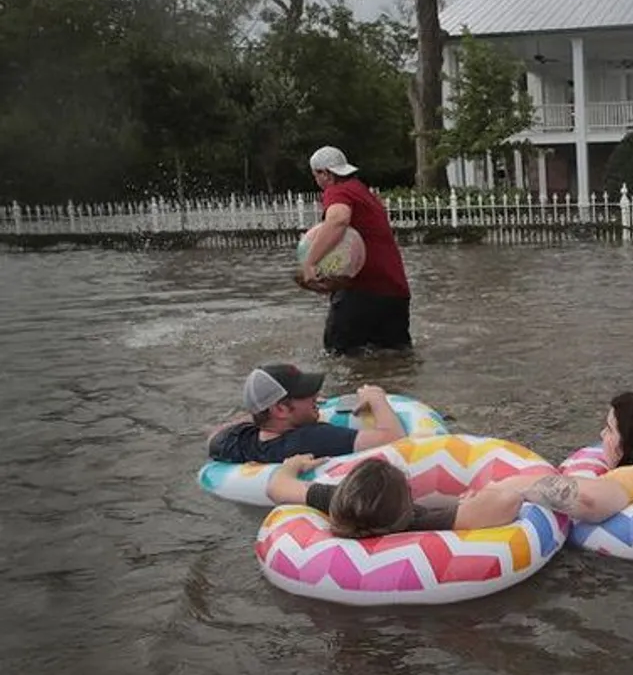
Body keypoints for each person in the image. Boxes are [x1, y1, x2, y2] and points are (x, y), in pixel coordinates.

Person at [482, 389, 633, 523]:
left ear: (632, 443)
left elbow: (589, 500)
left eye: (610, 429)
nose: (602, 434)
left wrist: (511, 486)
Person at [299, 145, 412, 356]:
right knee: (396, 359)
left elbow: (339, 220)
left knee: (338, 357)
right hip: (395, 292)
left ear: (326, 174)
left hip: (362, 290)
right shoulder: (363, 193)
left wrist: (310, 262)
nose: (317, 181)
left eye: (316, 175)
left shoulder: (337, 191)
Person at [264, 454, 525, 537]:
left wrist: (291, 464)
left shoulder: (337, 501)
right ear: (406, 507)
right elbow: (509, 500)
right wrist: (473, 500)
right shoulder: (418, 520)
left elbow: (277, 487)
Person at [206, 364, 406, 464]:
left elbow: (214, 437)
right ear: (281, 409)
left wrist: (301, 406)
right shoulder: (312, 438)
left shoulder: (238, 441)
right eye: (306, 393)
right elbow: (396, 440)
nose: (315, 395)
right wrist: (376, 397)